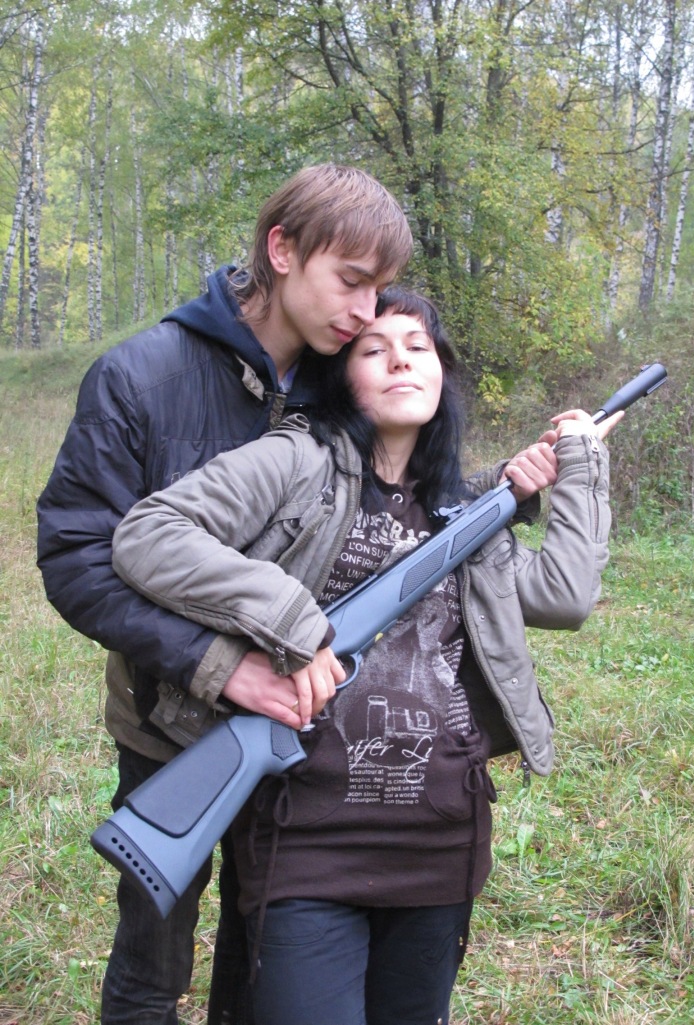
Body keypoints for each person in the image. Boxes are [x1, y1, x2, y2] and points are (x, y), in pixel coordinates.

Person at [36, 167, 558, 1025]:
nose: (365, 311)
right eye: (350, 282)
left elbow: (396, 490)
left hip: (308, 738)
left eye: (378, 289)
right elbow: (78, 559)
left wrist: (506, 490)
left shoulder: (334, 373)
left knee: (268, 944)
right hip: (172, 720)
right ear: (281, 250)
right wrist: (222, 665)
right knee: (155, 954)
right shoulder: (142, 376)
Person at [109, 286, 622, 1025]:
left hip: (437, 839)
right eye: (374, 349)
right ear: (340, 374)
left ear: (443, 373)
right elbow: (150, 535)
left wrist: (580, 462)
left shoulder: (463, 512)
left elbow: (564, 596)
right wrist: (294, 621)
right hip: (306, 842)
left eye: (418, 347)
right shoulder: (296, 461)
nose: (400, 362)